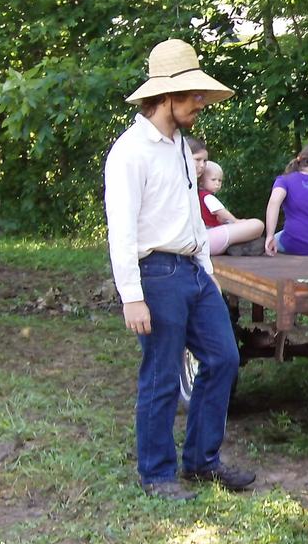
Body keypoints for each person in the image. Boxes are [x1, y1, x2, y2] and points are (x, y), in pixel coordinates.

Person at [105, 38, 256, 501]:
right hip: (156, 275)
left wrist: (206, 268)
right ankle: (157, 475)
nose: (200, 102)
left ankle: (201, 462)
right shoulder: (130, 152)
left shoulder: (179, 147)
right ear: (164, 96)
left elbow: (191, 213)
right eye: (192, 95)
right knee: (162, 375)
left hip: (193, 270)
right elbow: (122, 230)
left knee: (224, 359)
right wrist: (131, 295)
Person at [263, 144, 308, 256]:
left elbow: (274, 203)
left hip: (296, 244)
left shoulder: (285, 180)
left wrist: (269, 236)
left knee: (273, 240)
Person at [198, 161, 265, 255]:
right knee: (257, 224)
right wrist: (235, 220)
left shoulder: (197, 195)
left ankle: (236, 247)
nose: (217, 183)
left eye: (220, 180)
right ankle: (241, 245)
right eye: (213, 180)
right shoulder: (207, 197)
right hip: (210, 231)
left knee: (228, 223)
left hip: (206, 232)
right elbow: (221, 211)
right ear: (201, 181)